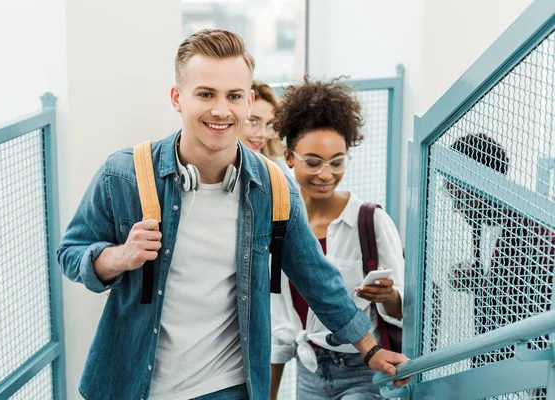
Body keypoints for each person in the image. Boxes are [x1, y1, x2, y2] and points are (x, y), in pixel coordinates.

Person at [57, 29, 410, 400]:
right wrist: (117, 257)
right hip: (132, 385)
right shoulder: (125, 174)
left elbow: (318, 279)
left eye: (234, 96)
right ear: (178, 98)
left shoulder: (273, 188)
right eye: (206, 94)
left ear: (249, 101)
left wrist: (369, 350)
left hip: (228, 387)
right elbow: (71, 253)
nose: (221, 110)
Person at [268, 78, 405, 400]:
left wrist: (387, 297)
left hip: (364, 370)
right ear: (289, 158)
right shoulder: (278, 222)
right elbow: (281, 323)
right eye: (313, 162)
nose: (326, 174)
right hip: (309, 370)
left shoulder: (370, 221)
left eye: (337, 162)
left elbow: (405, 310)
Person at [446, 134, 554, 393]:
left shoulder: (535, 229)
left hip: (538, 365)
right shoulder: (481, 227)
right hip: (503, 367)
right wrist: (478, 282)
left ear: (477, 180)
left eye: (455, 186)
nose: (452, 200)